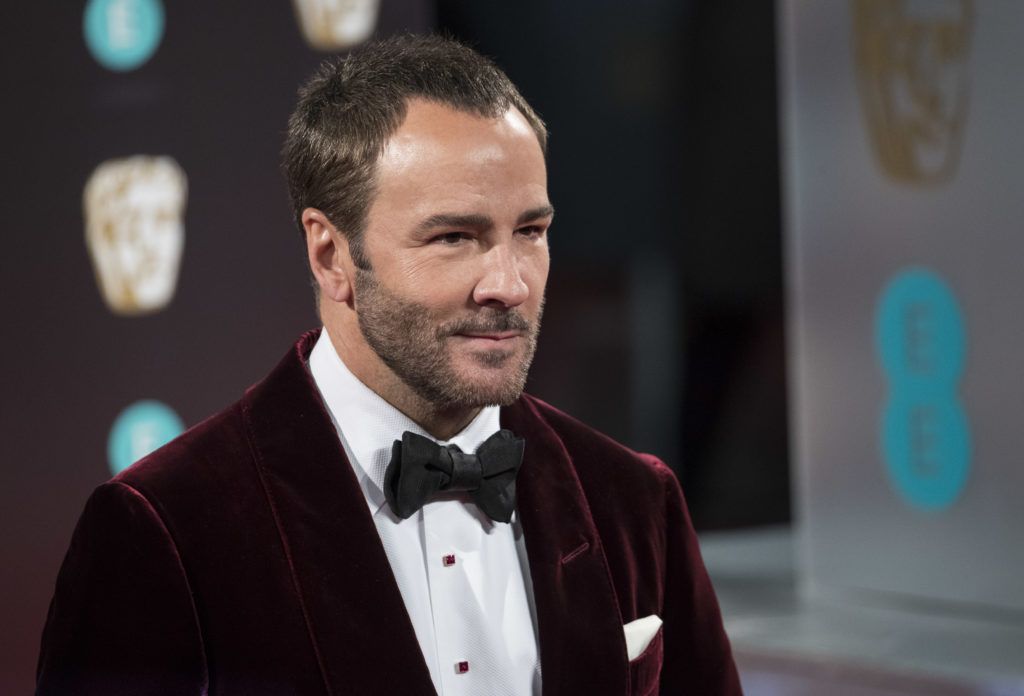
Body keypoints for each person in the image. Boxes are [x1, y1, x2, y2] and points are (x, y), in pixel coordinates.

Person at [37, 35, 741, 696]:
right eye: (454, 237)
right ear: (331, 255)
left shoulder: (633, 502)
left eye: (530, 231)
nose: (509, 284)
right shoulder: (165, 530)